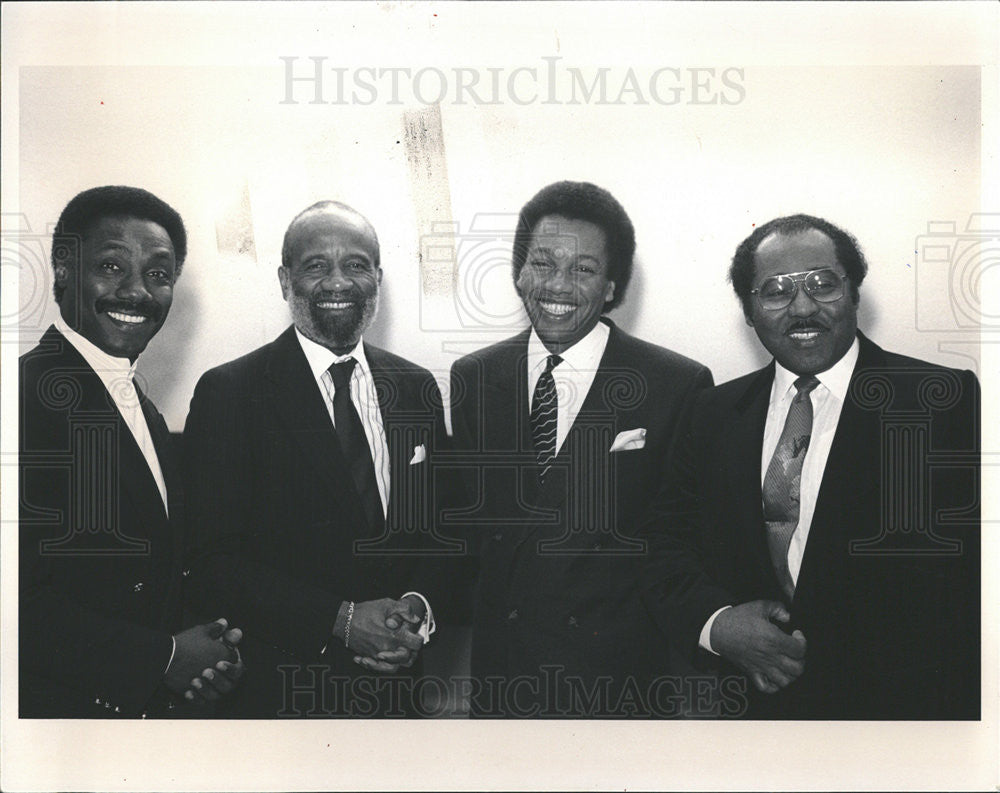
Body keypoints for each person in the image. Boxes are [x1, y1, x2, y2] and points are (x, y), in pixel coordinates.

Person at [641, 214, 980, 719]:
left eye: (822, 284)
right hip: (754, 716)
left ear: (854, 293)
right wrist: (717, 624)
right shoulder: (711, 414)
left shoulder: (944, 402)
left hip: (903, 717)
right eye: (775, 291)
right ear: (750, 312)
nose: (802, 307)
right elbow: (665, 545)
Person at [449, 181, 713, 717]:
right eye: (542, 263)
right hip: (503, 684)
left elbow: (683, 544)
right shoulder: (474, 377)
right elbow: (474, 535)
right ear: (517, 273)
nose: (558, 286)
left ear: (613, 286)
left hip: (618, 688)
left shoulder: (676, 384)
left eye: (584, 269)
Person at [183, 200, 451, 717]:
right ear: (286, 281)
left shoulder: (416, 388)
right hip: (285, 696)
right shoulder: (231, 392)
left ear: (377, 278)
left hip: (398, 692)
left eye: (355, 265)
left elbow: (436, 532)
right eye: (315, 266)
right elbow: (209, 562)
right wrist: (342, 619)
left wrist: (419, 606)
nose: (337, 282)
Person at [19, 185, 243, 718]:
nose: (137, 292)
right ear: (64, 271)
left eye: (159, 274)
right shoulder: (22, 398)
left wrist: (207, 653)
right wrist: (163, 657)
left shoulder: (140, 404)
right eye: (112, 266)